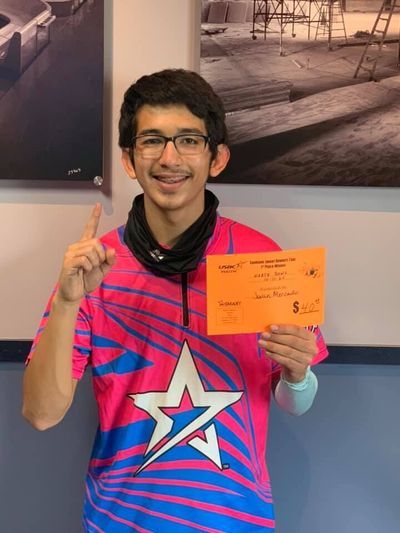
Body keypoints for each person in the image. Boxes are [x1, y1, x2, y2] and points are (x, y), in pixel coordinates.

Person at [23, 69, 328, 532]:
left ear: (217, 157)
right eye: (151, 141)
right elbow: (41, 415)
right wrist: (67, 303)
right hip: (119, 521)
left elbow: (294, 403)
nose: (170, 158)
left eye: (188, 140)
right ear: (129, 158)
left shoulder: (263, 259)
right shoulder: (93, 268)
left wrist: (298, 375)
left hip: (236, 520)